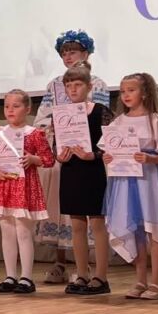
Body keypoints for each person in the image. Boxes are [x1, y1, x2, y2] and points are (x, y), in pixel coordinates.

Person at [101, 73, 158, 300]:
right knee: (134, 229)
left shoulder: (154, 120)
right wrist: (108, 157)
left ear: (145, 93)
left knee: (154, 228)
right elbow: (109, 149)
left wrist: (150, 158)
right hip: (125, 183)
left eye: (131, 90)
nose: (126, 95)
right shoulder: (118, 122)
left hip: (150, 182)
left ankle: (156, 283)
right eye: (123, 91)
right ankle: (140, 280)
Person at [35, 30, 110, 284]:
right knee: (65, 213)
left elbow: (102, 122)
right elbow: (44, 116)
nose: (68, 56)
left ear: (85, 53)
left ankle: (94, 271)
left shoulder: (97, 83)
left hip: (91, 159)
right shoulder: (54, 84)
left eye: (73, 51)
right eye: (64, 53)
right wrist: (52, 131)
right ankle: (62, 263)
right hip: (66, 158)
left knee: (93, 218)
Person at [0, 89, 54, 294]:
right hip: (2, 186)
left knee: (23, 232)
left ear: (27, 109)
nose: (10, 110)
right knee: (7, 231)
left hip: (24, 187)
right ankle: (10, 275)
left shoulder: (34, 133)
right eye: (7, 106)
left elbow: (48, 159)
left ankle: (26, 277)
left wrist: (33, 159)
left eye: (16, 106)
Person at [57, 62, 113, 296]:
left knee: (98, 224)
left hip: (93, 171)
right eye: (68, 85)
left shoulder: (100, 111)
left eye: (78, 84)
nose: (72, 89)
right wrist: (59, 156)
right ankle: (82, 274)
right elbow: (57, 146)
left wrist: (93, 155)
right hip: (71, 170)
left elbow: (112, 143)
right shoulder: (62, 114)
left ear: (89, 87)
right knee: (77, 225)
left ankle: (101, 277)